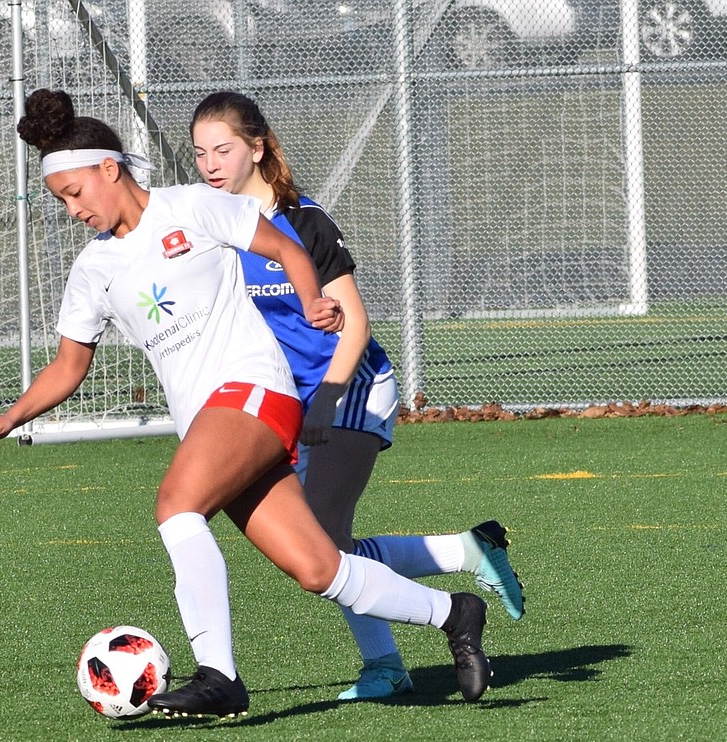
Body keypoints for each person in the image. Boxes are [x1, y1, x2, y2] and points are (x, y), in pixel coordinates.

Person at [0, 88, 492, 719]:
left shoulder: (192, 206)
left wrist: (308, 301)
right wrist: (10, 415)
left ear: (110, 169)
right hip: (214, 424)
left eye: (76, 192)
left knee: (175, 506)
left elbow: (287, 249)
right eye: (62, 202)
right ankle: (454, 612)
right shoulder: (92, 271)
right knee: (319, 568)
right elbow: (68, 366)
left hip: (255, 389)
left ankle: (218, 674)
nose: (73, 210)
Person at [190, 91, 524, 701]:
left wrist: (327, 398)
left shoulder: (305, 221)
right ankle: (463, 553)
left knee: (321, 540)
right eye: (200, 153)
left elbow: (356, 324)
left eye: (224, 149)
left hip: (350, 388)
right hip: (287, 400)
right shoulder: (215, 229)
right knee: (323, 549)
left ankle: (387, 664)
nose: (210, 163)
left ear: (257, 149)